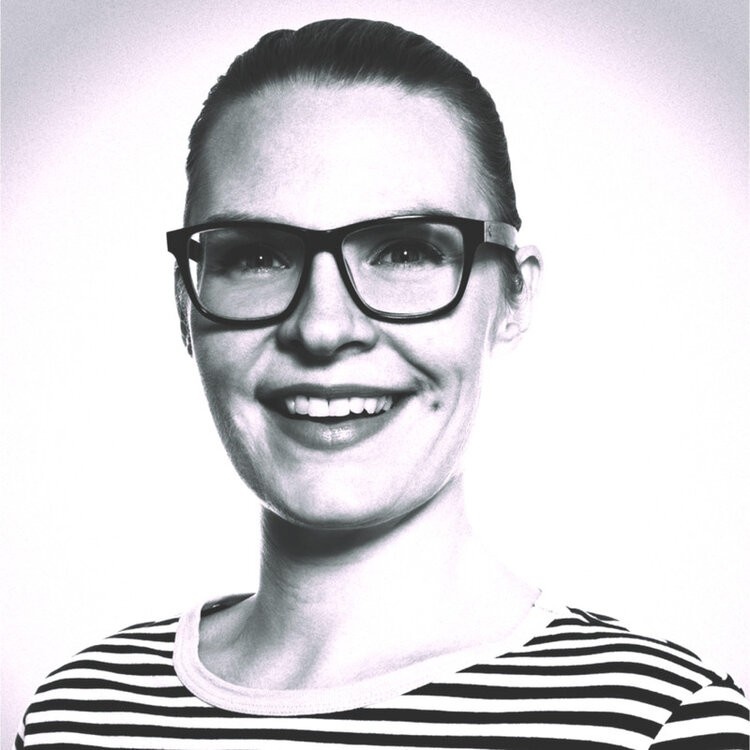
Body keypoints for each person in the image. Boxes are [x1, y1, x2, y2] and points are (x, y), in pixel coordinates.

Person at [15, 17, 748, 750]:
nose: (322, 327)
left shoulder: (662, 722)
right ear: (187, 306)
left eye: (404, 251)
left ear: (514, 295)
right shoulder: (74, 714)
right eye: (259, 256)